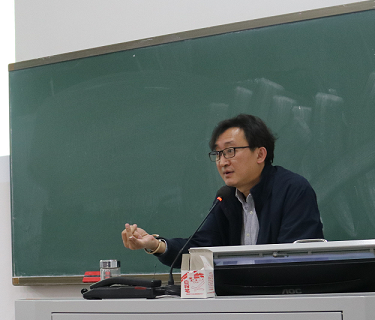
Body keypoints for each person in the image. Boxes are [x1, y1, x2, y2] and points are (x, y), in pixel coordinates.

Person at [121, 114, 324, 267]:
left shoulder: (293, 190)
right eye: (218, 154)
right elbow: (200, 249)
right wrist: (156, 245)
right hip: (237, 298)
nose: (222, 162)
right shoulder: (226, 198)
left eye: (230, 151)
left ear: (260, 154)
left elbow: (297, 259)